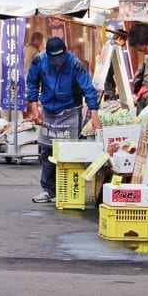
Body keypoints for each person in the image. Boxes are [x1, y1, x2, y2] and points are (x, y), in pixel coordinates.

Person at [25, 37, 102, 203]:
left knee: (69, 152)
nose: (57, 63)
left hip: (70, 111)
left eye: (60, 59)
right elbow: (32, 83)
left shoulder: (75, 63)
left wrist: (95, 116)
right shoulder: (39, 61)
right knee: (47, 151)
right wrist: (34, 108)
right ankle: (48, 189)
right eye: (54, 60)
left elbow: (88, 89)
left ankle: (66, 189)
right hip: (48, 111)